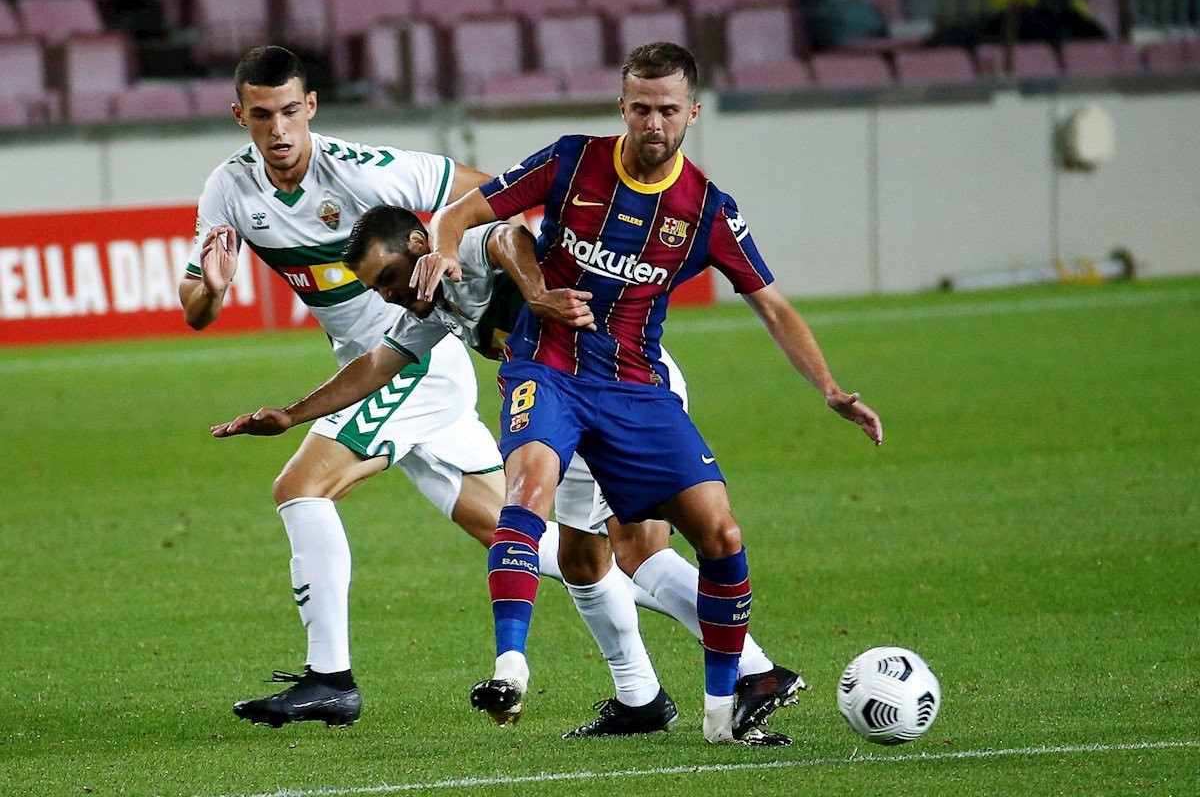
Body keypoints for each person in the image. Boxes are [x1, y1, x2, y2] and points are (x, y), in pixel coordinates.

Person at [412, 41, 883, 745]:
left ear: (693, 112)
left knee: (715, 531)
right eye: (641, 108)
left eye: (668, 109)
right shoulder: (571, 160)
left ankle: (722, 708)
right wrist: (446, 246)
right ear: (622, 107)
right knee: (532, 492)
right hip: (549, 371)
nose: (654, 123)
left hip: (637, 388)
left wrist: (830, 389)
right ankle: (513, 668)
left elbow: (775, 308)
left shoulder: (706, 210)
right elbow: (469, 211)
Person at [212, 205, 807, 741]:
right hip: (561, 405)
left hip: (619, 390)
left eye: (390, 278)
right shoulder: (429, 308)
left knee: (639, 555)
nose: (389, 296)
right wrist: (290, 416)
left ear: (422, 245)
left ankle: (753, 672)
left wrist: (538, 293)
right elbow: (375, 366)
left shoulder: (461, 250)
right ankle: (642, 700)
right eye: (376, 289)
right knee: (580, 559)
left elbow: (509, 235)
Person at [178, 45, 513, 729]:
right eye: (262, 115)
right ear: (239, 115)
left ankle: (330, 678)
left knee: (299, 487)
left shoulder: (363, 170)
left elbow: (496, 194)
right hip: (374, 372)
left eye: (291, 112)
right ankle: (744, 661)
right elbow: (195, 308)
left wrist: (445, 244)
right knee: (523, 538)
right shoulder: (229, 189)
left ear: (312, 108)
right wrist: (212, 290)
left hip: (413, 363)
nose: (279, 130)